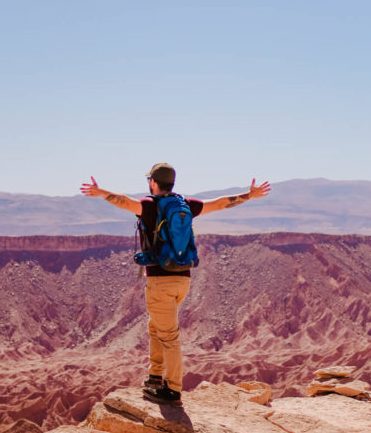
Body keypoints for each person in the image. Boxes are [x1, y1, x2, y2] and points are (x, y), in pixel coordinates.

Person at [80, 163, 270, 404]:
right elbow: (221, 203)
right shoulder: (185, 205)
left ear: (153, 183)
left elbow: (124, 202)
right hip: (183, 278)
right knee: (155, 327)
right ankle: (155, 377)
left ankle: (172, 390)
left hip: (160, 280)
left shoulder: (150, 206)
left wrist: (101, 192)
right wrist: (249, 195)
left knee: (168, 336)